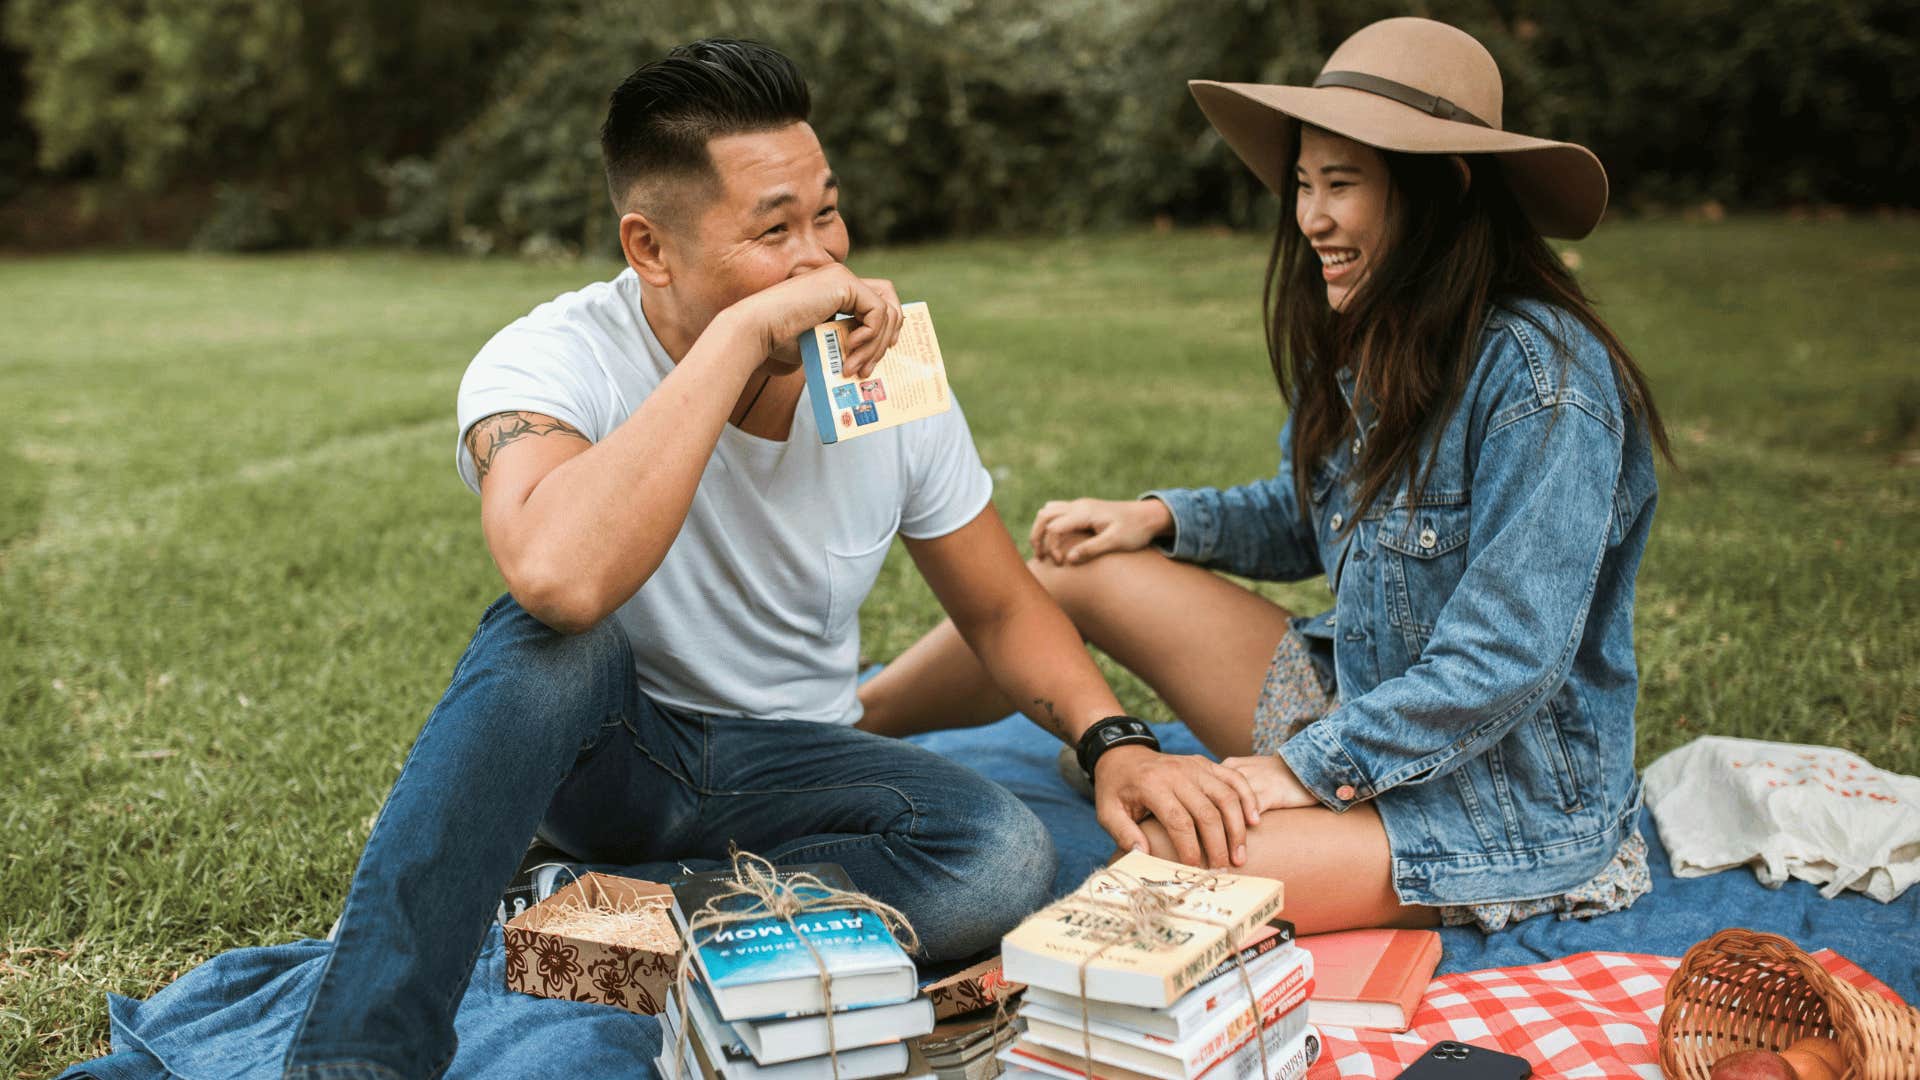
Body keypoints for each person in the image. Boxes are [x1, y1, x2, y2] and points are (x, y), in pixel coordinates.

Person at [283, 39, 1257, 1079]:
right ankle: (359, 1057)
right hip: (618, 750)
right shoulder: (549, 358)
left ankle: (582, 925)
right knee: (548, 645)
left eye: (827, 214)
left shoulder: (882, 370)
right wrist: (741, 338)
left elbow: (1001, 610)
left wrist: (1114, 741)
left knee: (998, 858)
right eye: (774, 230)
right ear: (649, 248)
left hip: (794, 765)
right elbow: (558, 577)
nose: (821, 260)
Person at [858, 18, 1672, 937]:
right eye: (1302, 184)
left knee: (1167, 868)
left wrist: (1295, 772)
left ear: (1442, 190)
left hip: (1496, 801)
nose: (1311, 217)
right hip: (1358, 705)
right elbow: (1312, 514)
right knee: (1074, 572)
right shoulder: (1379, 332)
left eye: (1342, 185)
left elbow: (1505, 658)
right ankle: (849, 724)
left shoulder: (1543, 378)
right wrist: (1161, 520)